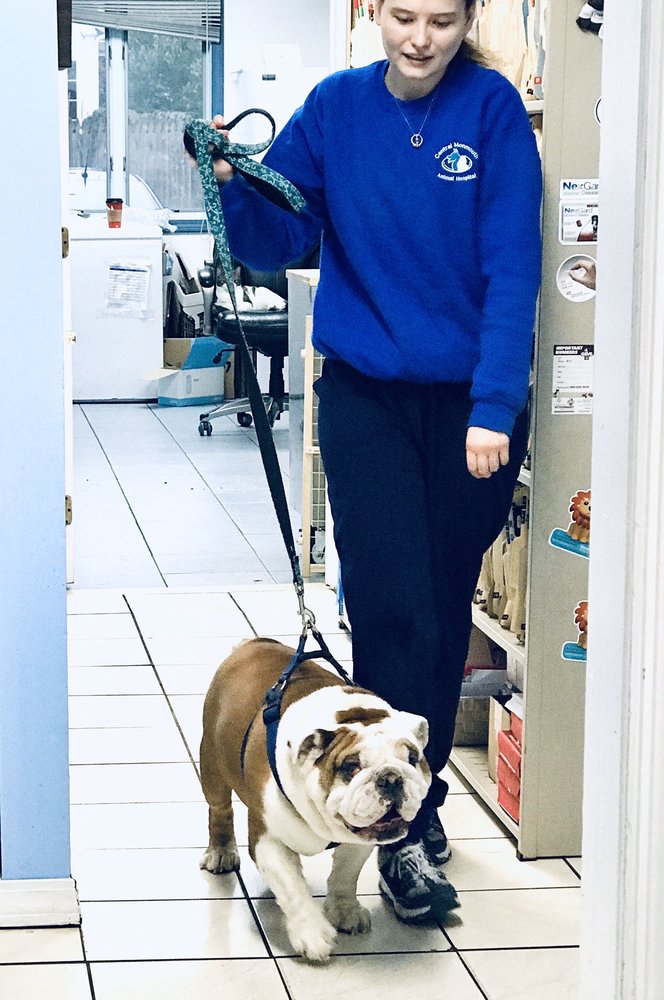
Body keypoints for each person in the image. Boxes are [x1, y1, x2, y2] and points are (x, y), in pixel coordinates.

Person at [198, 0, 542, 923]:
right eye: (402, 15)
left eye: (442, 20)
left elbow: (515, 265)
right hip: (365, 395)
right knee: (391, 603)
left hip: (468, 405)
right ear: (376, 14)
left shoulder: (492, 111)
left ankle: (406, 798)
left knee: (441, 602)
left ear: (468, 19)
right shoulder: (335, 107)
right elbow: (277, 241)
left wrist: (494, 405)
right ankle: (404, 830)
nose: (420, 39)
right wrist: (234, 180)